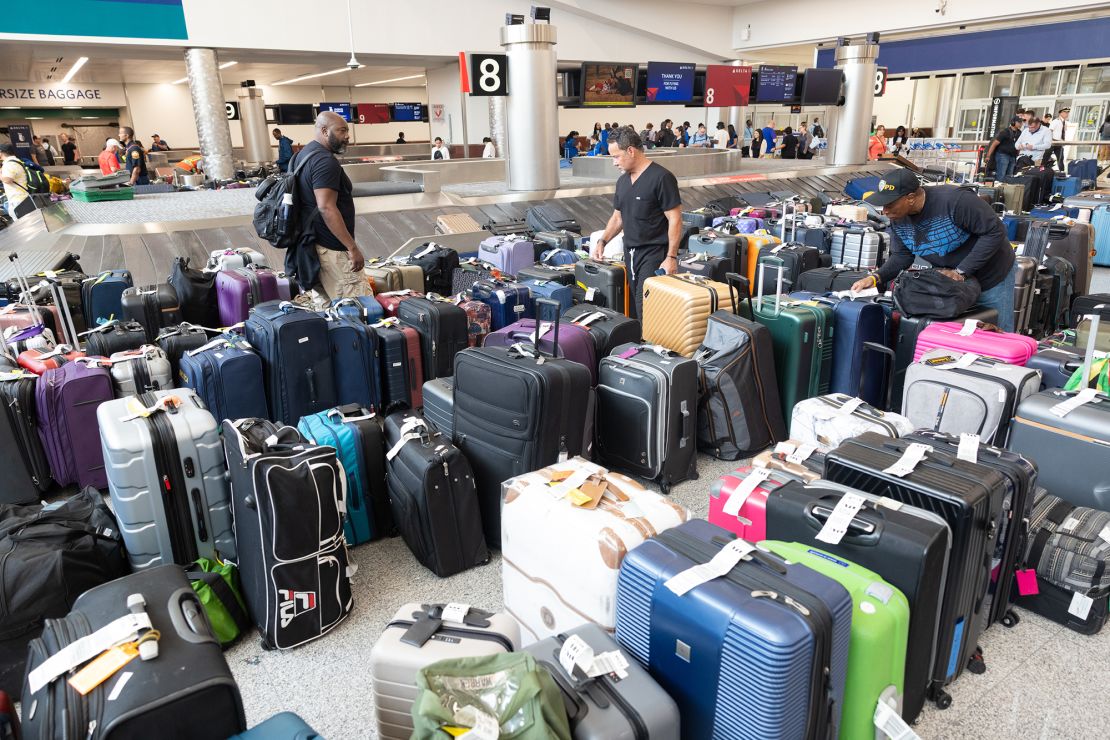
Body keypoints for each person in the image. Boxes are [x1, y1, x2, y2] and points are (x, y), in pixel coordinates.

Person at [850, 169, 1019, 332]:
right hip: (953, 283)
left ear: (910, 198)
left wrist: (961, 271)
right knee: (958, 336)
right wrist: (875, 278)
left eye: (890, 204)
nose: (885, 211)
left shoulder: (955, 201)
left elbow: (994, 232)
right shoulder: (897, 218)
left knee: (997, 333)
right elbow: (902, 256)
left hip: (991, 276)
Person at [592, 127, 682, 321]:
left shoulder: (661, 178)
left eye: (616, 157)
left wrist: (671, 257)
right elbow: (618, 217)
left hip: (654, 253)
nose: (614, 162)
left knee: (648, 308)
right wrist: (602, 241)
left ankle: (652, 348)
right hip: (630, 253)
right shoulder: (623, 182)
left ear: (631, 150)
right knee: (637, 306)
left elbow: (675, 218)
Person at [291, 110, 370, 302]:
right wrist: (352, 248)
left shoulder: (302, 156)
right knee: (359, 309)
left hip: (311, 247)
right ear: (325, 131)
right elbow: (326, 207)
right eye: (342, 131)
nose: (347, 136)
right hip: (333, 251)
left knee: (330, 314)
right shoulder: (325, 162)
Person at [985, 116, 1022, 183]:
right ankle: (998, 190)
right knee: (1001, 176)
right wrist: (988, 156)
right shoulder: (1005, 132)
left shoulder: (1019, 133)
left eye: (1021, 122)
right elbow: (994, 144)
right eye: (1019, 122)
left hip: (1013, 156)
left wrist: (1017, 154)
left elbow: (1019, 145)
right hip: (1002, 155)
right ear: (1013, 122)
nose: (1020, 123)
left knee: (1010, 177)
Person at [1, 142, 31, 220]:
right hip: (22, 198)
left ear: (1, 152)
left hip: (17, 200)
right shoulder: (16, 161)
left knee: (23, 226)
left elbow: (8, 179)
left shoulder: (9, 164)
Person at [1047, 107, 1070, 173]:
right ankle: (1042, 170)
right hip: (1053, 141)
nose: (1067, 114)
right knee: (1046, 157)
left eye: (1068, 112)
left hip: (1059, 143)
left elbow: (1062, 132)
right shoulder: (1055, 121)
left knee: (1060, 158)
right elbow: (1050, 131)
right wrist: (1050, 141)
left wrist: (1062, 141)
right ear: (1061, 113)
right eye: (1065, 112)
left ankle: (1062, 172)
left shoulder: (1064, 122)